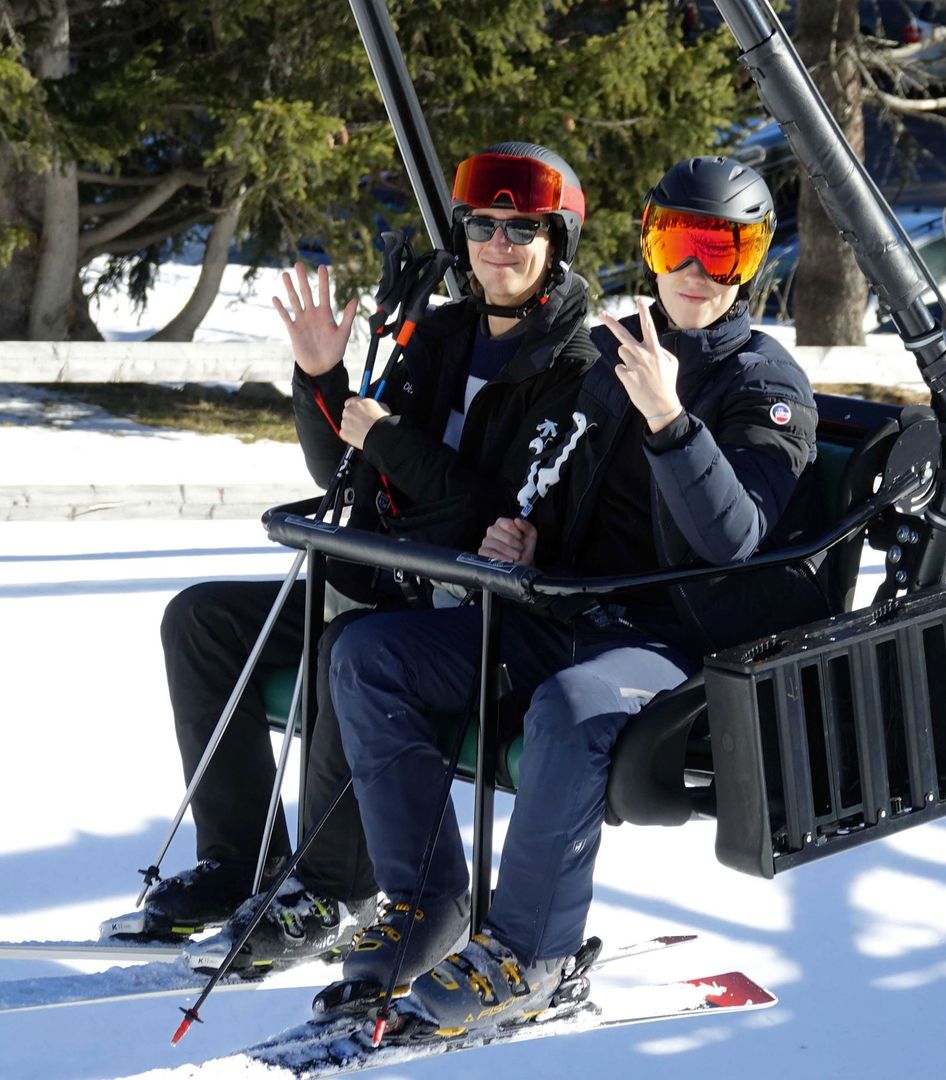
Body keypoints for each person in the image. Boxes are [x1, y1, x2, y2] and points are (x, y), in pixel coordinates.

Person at [317, 156, 830, 1033]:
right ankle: (427, 899)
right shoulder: (615, 352)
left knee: (569, 709)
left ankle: (532, 954)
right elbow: (556, 473)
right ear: (651, 245)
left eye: (723, 251)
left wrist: (673, 423)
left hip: (677, 635)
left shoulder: (762, 386)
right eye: (678, 244)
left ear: (752, 262)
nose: (696, 274)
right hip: (570, 607)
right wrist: (527, 532)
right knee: (368, 656)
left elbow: (733, 541)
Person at [101, 143, 597, 976]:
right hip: (389, 578)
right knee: (202, 620)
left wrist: (388, 441)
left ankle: (334, 887)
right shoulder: (443, 334)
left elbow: (497, 513)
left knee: (350, 644)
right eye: (483, 225)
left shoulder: (574, 366)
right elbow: (344, 469)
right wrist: (321, 379)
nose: (499, 244)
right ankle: (238, 863)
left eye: (523, 229)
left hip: (474, 621)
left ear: (559, 243)